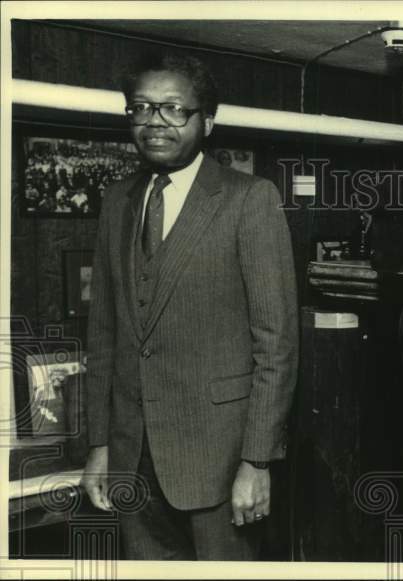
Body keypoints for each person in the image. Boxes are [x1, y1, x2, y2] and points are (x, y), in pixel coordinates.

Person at [80, 52, 298, 561]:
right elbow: (103, 335)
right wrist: (99, 446)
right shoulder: (117, 201)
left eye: (174, 109)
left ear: (207, 121)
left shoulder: (249, 198)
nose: (155, 121)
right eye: (141, 108)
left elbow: (277, 343)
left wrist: (257, 461)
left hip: (221, 461)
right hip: (131, 456)